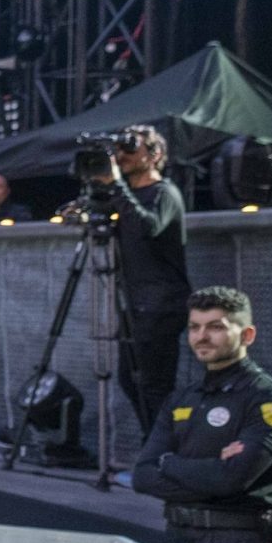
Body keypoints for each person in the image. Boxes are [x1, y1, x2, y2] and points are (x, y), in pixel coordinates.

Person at [133, 287, 272, 543]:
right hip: (177, 539)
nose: (202, 336)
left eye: (216, 327)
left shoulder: (269, 399)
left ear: (247, 335)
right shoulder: (182, 398)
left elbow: (230, 479)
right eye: (195, 327)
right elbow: (142, 476)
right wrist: (211, 470)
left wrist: (169, 463)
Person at [84, 126, 191, 436]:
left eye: (131, 148)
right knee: (130, 381)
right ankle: (155, 447)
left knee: (154, 386)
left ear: (154, 155)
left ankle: (162, 454)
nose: (122, 156)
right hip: (135, 303)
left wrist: (117, 186)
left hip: (161, 304)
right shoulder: (126, 195)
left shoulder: (164, 192)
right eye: (119, 150)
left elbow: (149, 227)